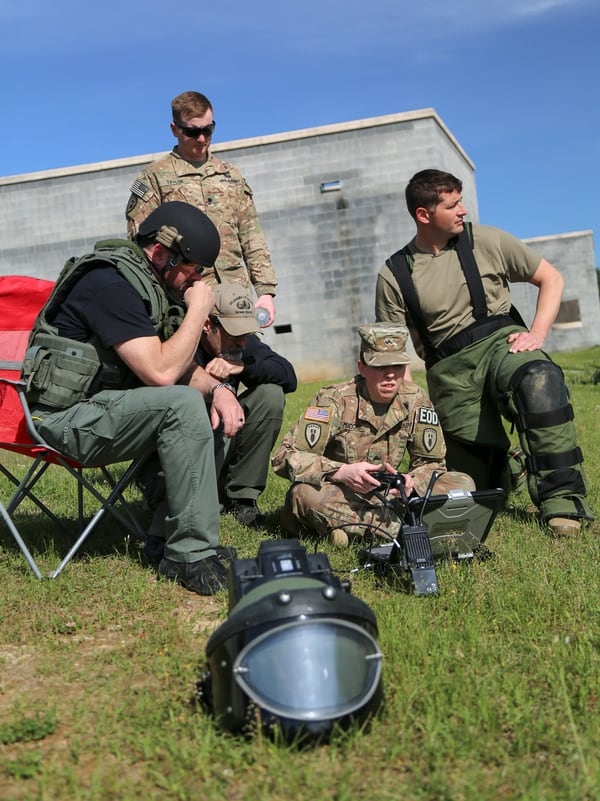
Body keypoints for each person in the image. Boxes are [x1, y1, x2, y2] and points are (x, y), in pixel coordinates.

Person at [21, 201, 247, 595]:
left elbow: (175, 365)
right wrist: (197, 312)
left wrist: (220, 389)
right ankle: (189, 555)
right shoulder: (110, 283)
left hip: (105, 410)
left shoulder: (148, 284)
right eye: (190, 270)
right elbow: (161, 373)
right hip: (64, 421)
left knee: (206, 403)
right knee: (181, 404)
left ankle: (165, 538)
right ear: (160, 252)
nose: (194, 282)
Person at [375, 168, 594, 537]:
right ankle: (513, 466)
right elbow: (393, 354)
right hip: (448, 371)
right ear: (423, 215)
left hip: (502, 343)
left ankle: (563, 503)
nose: (463, 210)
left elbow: (551, 278)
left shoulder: (488, 240)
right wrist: (415, 405)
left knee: (539, 380)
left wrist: (537, 334)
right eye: (453, 204)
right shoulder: (394, 274)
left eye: (461, 201)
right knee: (476, 488)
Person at [272, 324, 475, 547]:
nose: (390, 375)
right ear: (362, 367)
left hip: (389, 494)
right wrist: (341, 472)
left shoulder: (415, 399)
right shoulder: (334, 400)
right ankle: (406, 529)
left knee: (463, 483)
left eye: (397, 366)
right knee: (303, 493)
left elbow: (433, 464)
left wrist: (412, 482)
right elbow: (284, 456)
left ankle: (350, 529)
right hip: (342, 493)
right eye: (381, 366)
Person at [125, 90, 277, 327]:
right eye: (192, 132)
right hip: (186, 303)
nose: (202, 139)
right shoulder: (154, 178)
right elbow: (142, 249)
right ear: (175, 129)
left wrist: (265, 292)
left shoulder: (231, 176)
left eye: (208, 130)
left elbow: (252, 236)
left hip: (236, 300)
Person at [197, 283, 297, 526]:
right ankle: (192, 499)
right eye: (234, 333)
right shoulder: (184, 343)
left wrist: (242, 367)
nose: (242, 342)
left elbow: (288, 374)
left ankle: (242, 497)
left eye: (245, 333)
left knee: (270, 394)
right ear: (208, 325)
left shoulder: (240, 342)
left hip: (218, 441)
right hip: (181, 448)